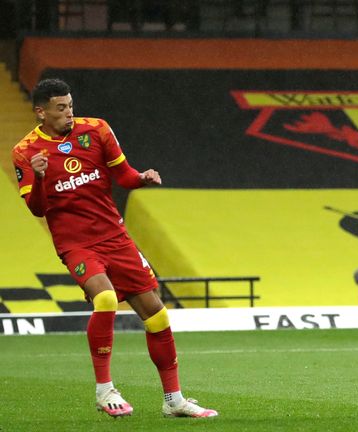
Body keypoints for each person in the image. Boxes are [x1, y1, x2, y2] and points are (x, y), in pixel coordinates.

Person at [12, 78, 218, 418]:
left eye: (70, 106)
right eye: (61, 108)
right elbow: (37, 208)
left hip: (115, 236)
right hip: (76, 243)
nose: (69, 113)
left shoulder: (97, 130)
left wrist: (141, 178)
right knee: (106, 298)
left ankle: (174, 400)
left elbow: (122, 176)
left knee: (157, 316)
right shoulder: (26, 151)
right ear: (41, 112)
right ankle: (105, 390)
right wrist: (42, 178)